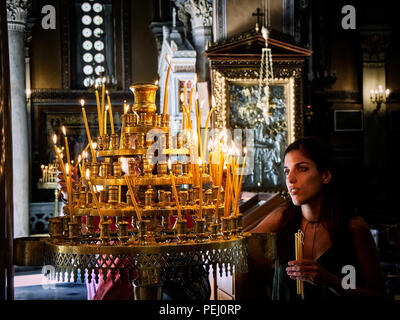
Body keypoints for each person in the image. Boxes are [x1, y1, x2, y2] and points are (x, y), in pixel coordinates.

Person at [250, 137, 387, 300]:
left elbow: (379, 296)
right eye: (287, 171)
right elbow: (237, 248)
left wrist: (332, 281)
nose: (290, 179)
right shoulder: (283, 218)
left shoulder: (353, 228)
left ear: (326, 175)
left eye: (301, 169)